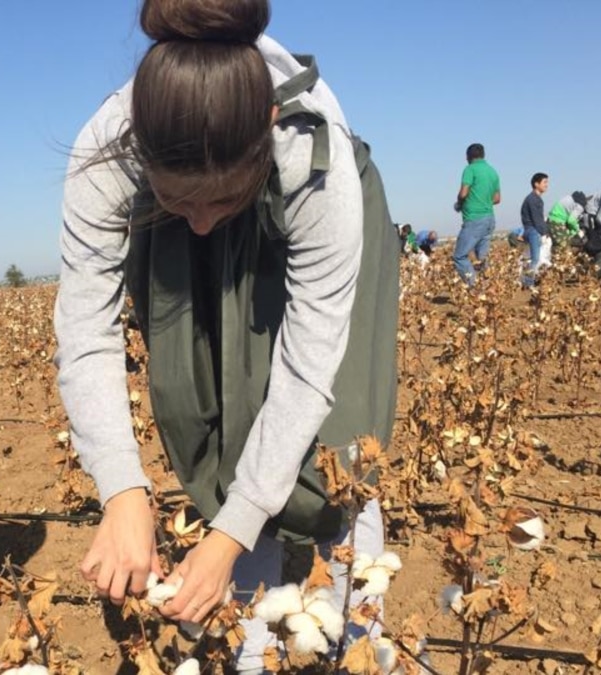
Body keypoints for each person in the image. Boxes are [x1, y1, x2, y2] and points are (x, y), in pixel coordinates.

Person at [53, 0, 398, 670]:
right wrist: (122, 490)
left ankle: (365, 641)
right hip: (183, 220)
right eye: (185, 201)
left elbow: (307, 364)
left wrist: (227, 536)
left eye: (219, 201)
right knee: (212, 406)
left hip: (296, 210)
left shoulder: (310, 151)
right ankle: (251, 645)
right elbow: (86, 326)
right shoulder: (105, 148)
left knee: (343, 438)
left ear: (266, 126)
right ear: (139, 149)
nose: (204, 223)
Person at [452, 143, 502, 285]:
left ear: (468, 157)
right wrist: (483, 201)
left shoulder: (470, 169)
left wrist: (459, 203)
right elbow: (497, 199)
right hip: (490, 219)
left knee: (460, 256)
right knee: (482, 258)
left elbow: (463, 193)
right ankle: (488, 288)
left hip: (474, 219)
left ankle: (475, 288)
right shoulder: (493, 171)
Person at [519, 173, 549, 287]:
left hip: (530, 229)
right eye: (544, 182)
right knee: (535, 259)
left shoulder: (533, 198)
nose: (547, 185)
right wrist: (544, 233)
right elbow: (537, 219)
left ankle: (527, 280)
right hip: (533, 230)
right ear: (536, 184)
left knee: (532, 258)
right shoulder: (533, 200)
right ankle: (528, 283)